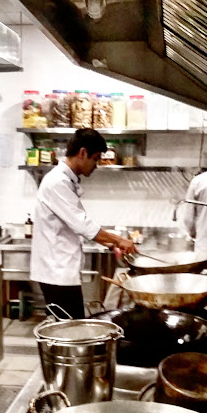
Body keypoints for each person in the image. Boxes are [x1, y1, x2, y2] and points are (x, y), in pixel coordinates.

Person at [30, 128, 136, 319]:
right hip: (57, 272)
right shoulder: (57, 182)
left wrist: (110, 243)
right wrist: (119, 240)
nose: (96, 165)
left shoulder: (65, 180)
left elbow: (74, 224)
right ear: (82, 153)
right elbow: (82, 225)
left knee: (69, 326)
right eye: (95, 159)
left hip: (61, 271)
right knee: (70, 330)